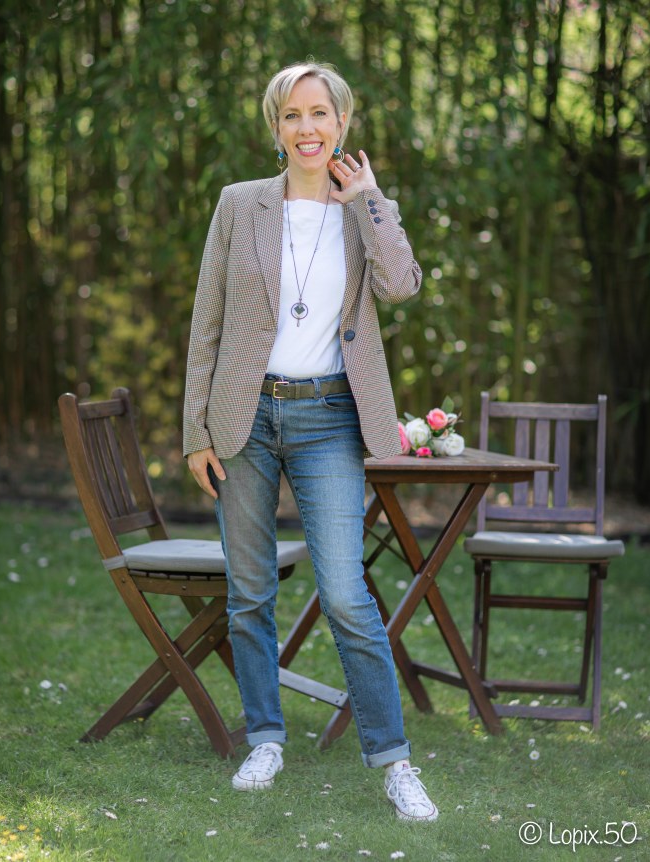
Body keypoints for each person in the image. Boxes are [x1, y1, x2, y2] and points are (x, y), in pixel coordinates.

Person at [183, 61, 438, 823]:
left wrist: (370, 202)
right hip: (245, 418)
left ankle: (394, 761)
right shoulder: (239, 204)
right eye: (291, 115)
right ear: (275, 126)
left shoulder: (365, 207)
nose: (306, 128)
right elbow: (206, 321)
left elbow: (402, 286)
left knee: (346, 594)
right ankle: (265, 738)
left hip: (331, 417)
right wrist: (196, 430)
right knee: (250, 592)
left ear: (342, 123)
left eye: (319, 113)